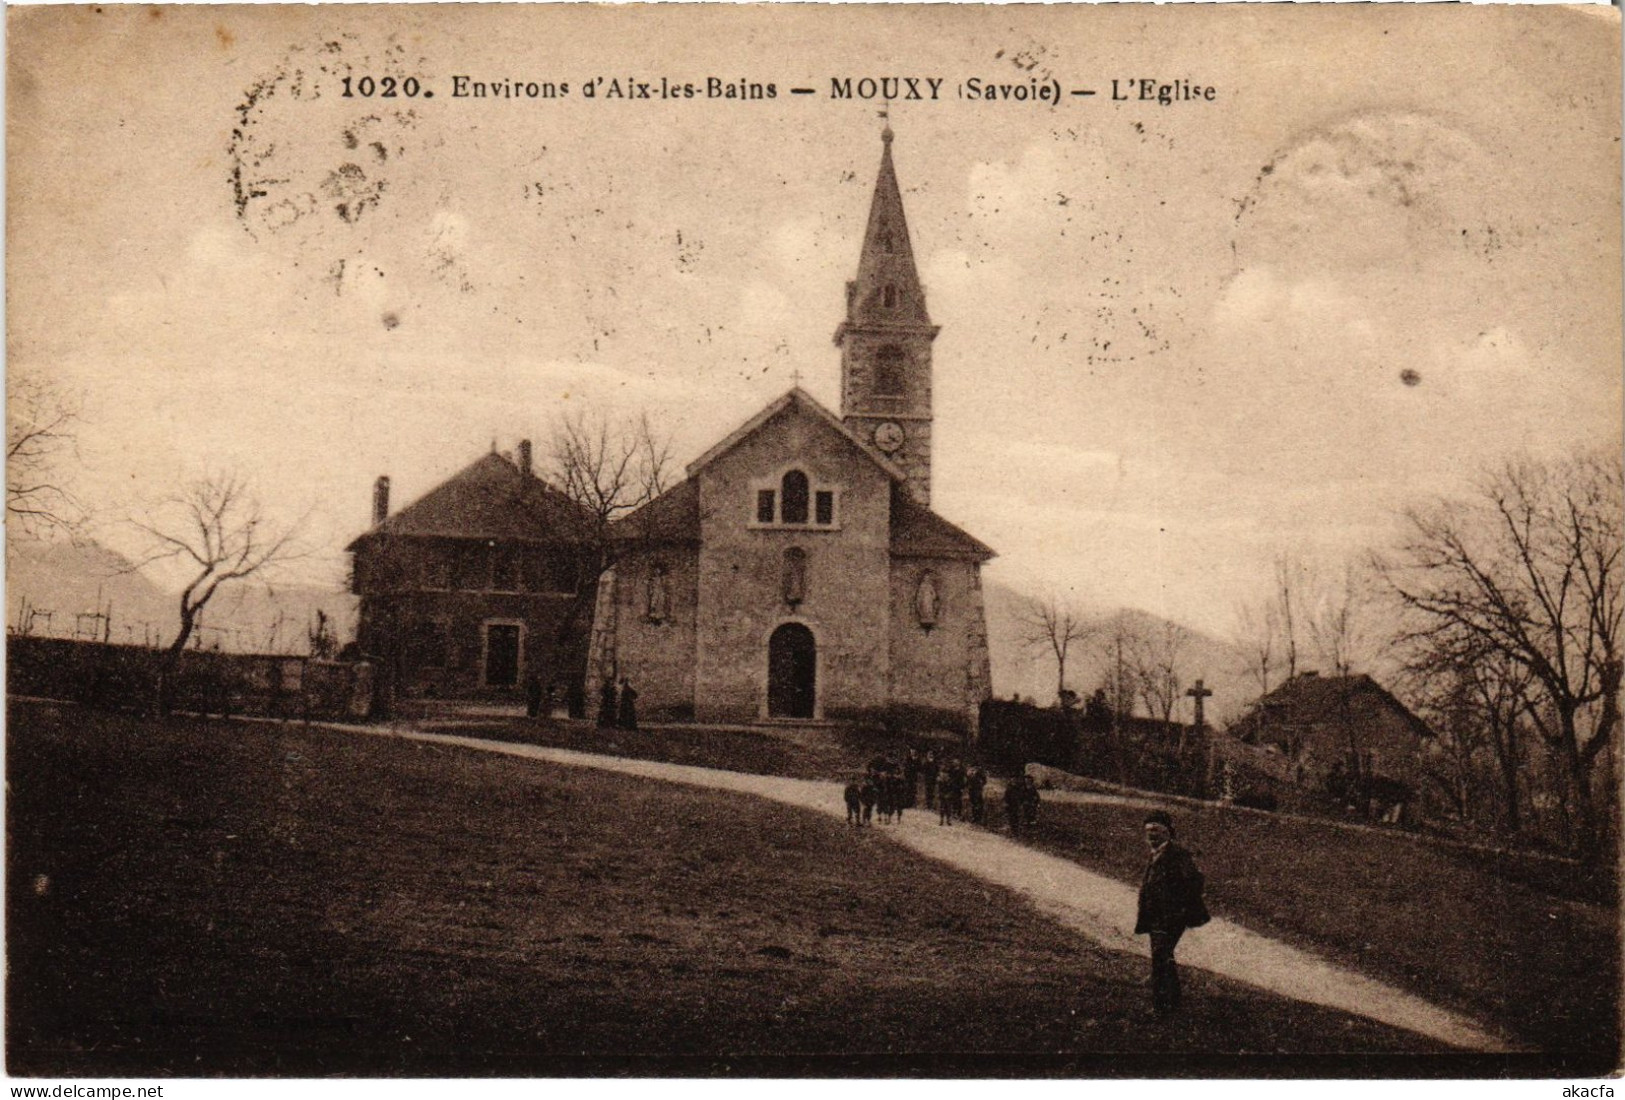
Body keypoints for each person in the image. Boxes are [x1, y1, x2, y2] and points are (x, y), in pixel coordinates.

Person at [1134, 810, 1210, 1018]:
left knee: (1161, 956)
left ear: (1168, 832)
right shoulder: (1156, 853)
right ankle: (1172, 1002)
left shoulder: (1177, 854)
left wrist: (1177, 907)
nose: (1152, 835)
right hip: (1157, 916)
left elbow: (1195, 881)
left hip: (1170, 917)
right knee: (1163, 956)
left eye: (1157, 830)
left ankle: (1162, 1006)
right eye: (1148, 831)